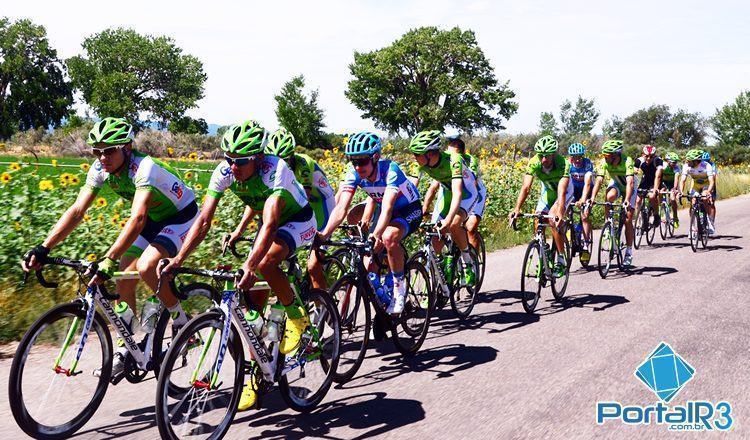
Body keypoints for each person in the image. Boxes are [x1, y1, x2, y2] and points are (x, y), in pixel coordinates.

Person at [22, 117, 198, 379]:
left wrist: (108, 258)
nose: (102, 157)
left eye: (109, 151)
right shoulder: (100, 168)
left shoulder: (144, 168)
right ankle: (125, 348)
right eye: (97, 151)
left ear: (126, 147)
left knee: (147, 265)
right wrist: (43, 247)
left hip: (181, 217)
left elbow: (137, 219)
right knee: (124, 277)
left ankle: (182, 322)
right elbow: (78, 210)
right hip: (154, 220)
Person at [160, 119, 317, 411]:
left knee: (266, 263)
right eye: (228, 159)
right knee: (251, 315)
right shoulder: (225, 172)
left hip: (298, 220)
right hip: (271, 225)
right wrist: (178, 259)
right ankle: (255, 376)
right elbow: (203, 220)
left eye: (240, 161)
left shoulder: (276, 170)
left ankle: (297, 314)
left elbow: (270, 224)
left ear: (258, 159)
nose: (233, 166)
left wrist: (249, 264)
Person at [314, 131, 422, 315]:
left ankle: (399, 290)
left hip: (409, 209)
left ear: (375, 157)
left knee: (388, 237)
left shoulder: (390, 170)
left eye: (362, 161)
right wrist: (324, 234)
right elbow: (341, 208)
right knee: (366, 262)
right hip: (386, 211)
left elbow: (387, 208)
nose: (357, 166)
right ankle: (381, 303)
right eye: (353, 161)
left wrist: (376, 235)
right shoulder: (353, 173)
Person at [263, 127, 336, 290]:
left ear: (292, 155)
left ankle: (324, 309)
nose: (279, 165)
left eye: (285, 160)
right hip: (302, 207)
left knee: (313, 266)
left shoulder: (304, 163)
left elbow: (304, 198)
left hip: (323, 206)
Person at [410, 130, 478, 286]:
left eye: (417, 153)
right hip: (447, 193)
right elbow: (411, 188)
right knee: (435, 233)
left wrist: (447, 220)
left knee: (453, 224)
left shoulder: (454, 160)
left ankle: (468, 264)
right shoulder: (419, 164)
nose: (414, 157)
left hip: (467, 194)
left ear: (430, 154)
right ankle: (439, 276)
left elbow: (458, 192)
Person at [508, 135, 572, 277]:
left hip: (565, 192)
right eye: (541, 155)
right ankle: (545, 250)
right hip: (548, 191)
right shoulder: (534, 162)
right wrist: (517, 208)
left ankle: (561, 259)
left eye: (547, 156)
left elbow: (561, 192)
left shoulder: (563, 164)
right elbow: (526, 187)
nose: (543, 159)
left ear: (554, 154)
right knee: (538, 219)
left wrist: (560, 213)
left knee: (553, 220)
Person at [590, 139, 637, 267]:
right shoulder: (604, 162)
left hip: (629, 187)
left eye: (608, 155)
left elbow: (630, 183)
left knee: (628, 219)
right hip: (616, 183)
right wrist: (593, 197)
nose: (605, 158)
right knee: (609, 197)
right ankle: (608, 222)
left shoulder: (627, 161)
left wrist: (627, 199)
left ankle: (628, 251)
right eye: (604, 155)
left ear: (616, 154)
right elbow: (599, 180)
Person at [444, 136, 487, 259]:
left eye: (454, 154)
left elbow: (472, 184)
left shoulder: (470, 160)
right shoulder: (447, 161)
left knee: (470, 227)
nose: (451, 157)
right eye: (448, 153)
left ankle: (472, 262)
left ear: (462, 153)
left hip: (476, 194)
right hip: (458, 194)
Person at [567, 142, 595, 264]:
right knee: (566, 211)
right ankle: (571, 233)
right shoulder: (568, 164)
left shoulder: (587, 163)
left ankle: (585, 245)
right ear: (570, 157)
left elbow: (588, 183)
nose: (577, 160)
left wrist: (583, 199)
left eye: (580, 157)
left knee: (585, 215)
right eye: (574, 157)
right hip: (573, 190)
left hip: (586, 190)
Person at [678, 149, 717, 235]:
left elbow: (711, 181)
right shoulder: (686, 166)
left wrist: (708, 192)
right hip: (695, 185)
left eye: (689, 160)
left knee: (704, 198)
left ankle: (709, 220)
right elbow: (683, 180)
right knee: (693, 201)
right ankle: (692, 228)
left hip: (706, 185)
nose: (687, 162)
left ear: (696, 161)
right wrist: (680, 191)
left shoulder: (707, 166)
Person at [633, 145, 664, 228]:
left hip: (656, 181)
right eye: (647, 156)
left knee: (652, 196)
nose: (649, 159)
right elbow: (633, 172)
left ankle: (656, 215)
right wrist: (635, 171)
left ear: (655, 155)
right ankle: (640, 220)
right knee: (638, 200)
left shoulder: (658, 160)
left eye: (651, 156)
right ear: (643, 155)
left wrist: (655, 189)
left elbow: (658, 176)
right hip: (646, 180)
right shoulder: (639, 160)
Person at [661, 152, 682, 228]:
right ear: (668, 161)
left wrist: (674, 188)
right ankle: (661, 210)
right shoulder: (663, 166)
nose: (675, 164)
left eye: (676, 162)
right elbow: (658, 176)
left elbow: (676, 178)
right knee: (660, 192)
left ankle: (675, 217)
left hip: (672, 184)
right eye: (673, 162)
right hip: (664, 182)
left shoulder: (677, 168)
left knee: (673, 199)